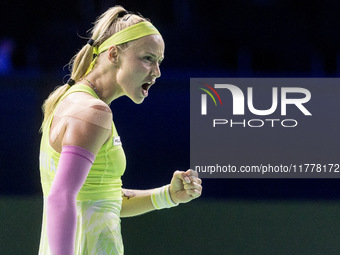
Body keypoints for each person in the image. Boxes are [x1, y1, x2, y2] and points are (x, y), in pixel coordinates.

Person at [38, 5, 202, 255]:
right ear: (113, 54)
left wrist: (168, 195)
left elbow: (103, 198)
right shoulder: (93, 112)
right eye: (148, 58)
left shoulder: (74, 101)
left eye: (159, 62)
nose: (157, 72)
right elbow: (60, 198)